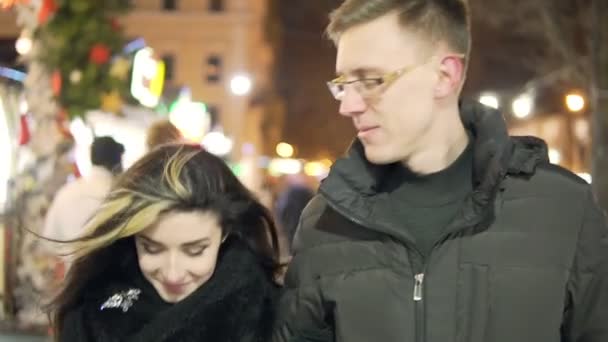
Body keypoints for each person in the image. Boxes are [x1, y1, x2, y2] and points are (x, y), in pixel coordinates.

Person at [273, 1, 608, 342]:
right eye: (343, 84)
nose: (347, 106)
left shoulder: (563, 209)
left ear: (446, 76)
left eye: (371, 81)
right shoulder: (325, 221)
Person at [48, 144, 281, 341]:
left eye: (195, 251)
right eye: (151, 248)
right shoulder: (91, 310)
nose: (172, 274)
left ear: (225, 233)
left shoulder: (266, 314)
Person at [43, 136, 124, 244]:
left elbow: (49, 239)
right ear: (118, 162)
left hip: (70, 259)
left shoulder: (66, 192)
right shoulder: (118, 195)